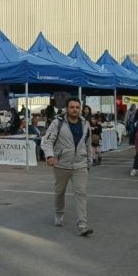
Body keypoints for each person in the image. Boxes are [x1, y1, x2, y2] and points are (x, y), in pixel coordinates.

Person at [40, 97, 93, 237]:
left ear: (80, 108)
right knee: (59, 192)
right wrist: (50, 156)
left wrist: (89, 161)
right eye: (72, 107)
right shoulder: (58, 123)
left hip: (80, 165)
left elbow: (87, 144)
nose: (75, 109)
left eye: (77, 107)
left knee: (81, 193)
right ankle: (59, 213)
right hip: (61, 164)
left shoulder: (85, 123)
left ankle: (82, 224)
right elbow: (47, 141)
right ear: (67, 109)